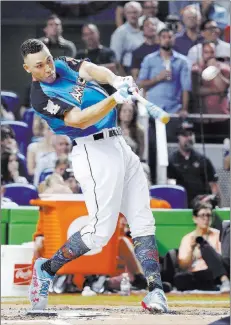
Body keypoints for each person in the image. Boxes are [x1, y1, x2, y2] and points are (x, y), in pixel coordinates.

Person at [21, 38, 168, 313]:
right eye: (39, 66)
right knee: (100, 232)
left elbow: (93, 70)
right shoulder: (40, 97)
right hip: (93, 152)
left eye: (49, 59)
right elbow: (79, 120)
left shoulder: (62, 65)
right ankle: (47, 269)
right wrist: (116, 97)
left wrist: (117, 78)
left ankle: (155, 291)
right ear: (28, 69)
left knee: (143, 219)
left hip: (119, 144)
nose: (48, 68)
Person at [137, 28, 191, 141]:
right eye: (164, 37)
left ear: (174, 39)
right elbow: (140, 84)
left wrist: (184, 109)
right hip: (151, 111)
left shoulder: (182, 61)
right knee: (151, 145)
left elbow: (186, 88)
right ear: (158, 39)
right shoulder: (149, 59)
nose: (167, 39)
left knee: (170, 143)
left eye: (170, 37)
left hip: (173, 111)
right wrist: (158, 78)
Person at [175, 202, 230, 292]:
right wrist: (191, 249)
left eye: (208, 215)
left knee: (204, 246)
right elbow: (183, 265)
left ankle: (223, 281)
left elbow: (224, 260)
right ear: (195, 218)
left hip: (215, 271)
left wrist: (207, 251)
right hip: (199, 273)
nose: (206, 219)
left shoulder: (218, 234)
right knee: (180, 278)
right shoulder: (188, 238)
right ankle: (213, 286)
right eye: (202, 215)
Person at [167, 121, 221, 208]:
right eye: (185, 135)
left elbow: (214, 185)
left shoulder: (203, 159)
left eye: (191, 134)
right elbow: (169, 186)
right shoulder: (171, 160)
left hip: (201, 208)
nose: (188, 137)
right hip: (181, 207)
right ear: (178, 137)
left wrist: (215, 202)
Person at [191, 41, 230, 143]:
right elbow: (196, 90)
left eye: (211, 52)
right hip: (202, 119)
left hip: (221, 118)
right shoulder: (196, 68)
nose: (209, 55)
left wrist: (214, 69)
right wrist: (215, 90)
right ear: (202, 53)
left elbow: (222, 87)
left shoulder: (224, 69)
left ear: (215, 53)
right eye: (206, 52)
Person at [76, 23, 117, 94]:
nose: (89, 37)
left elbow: (112, 69)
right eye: (86, 34)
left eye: (91, 33)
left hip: (106, 92)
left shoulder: (108, 52)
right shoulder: (80, 55)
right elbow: (76, 73)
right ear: (83, 37)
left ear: (98, 33)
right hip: (86, 93)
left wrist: (87, 70)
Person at [110, 1, 144, 75]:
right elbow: (116, 60)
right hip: (129, 70)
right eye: (129, 13)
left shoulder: (146, 28)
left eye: (135, 12)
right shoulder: (119, 32)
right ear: (125, 14)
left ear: (141, 13)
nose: (132, 15)